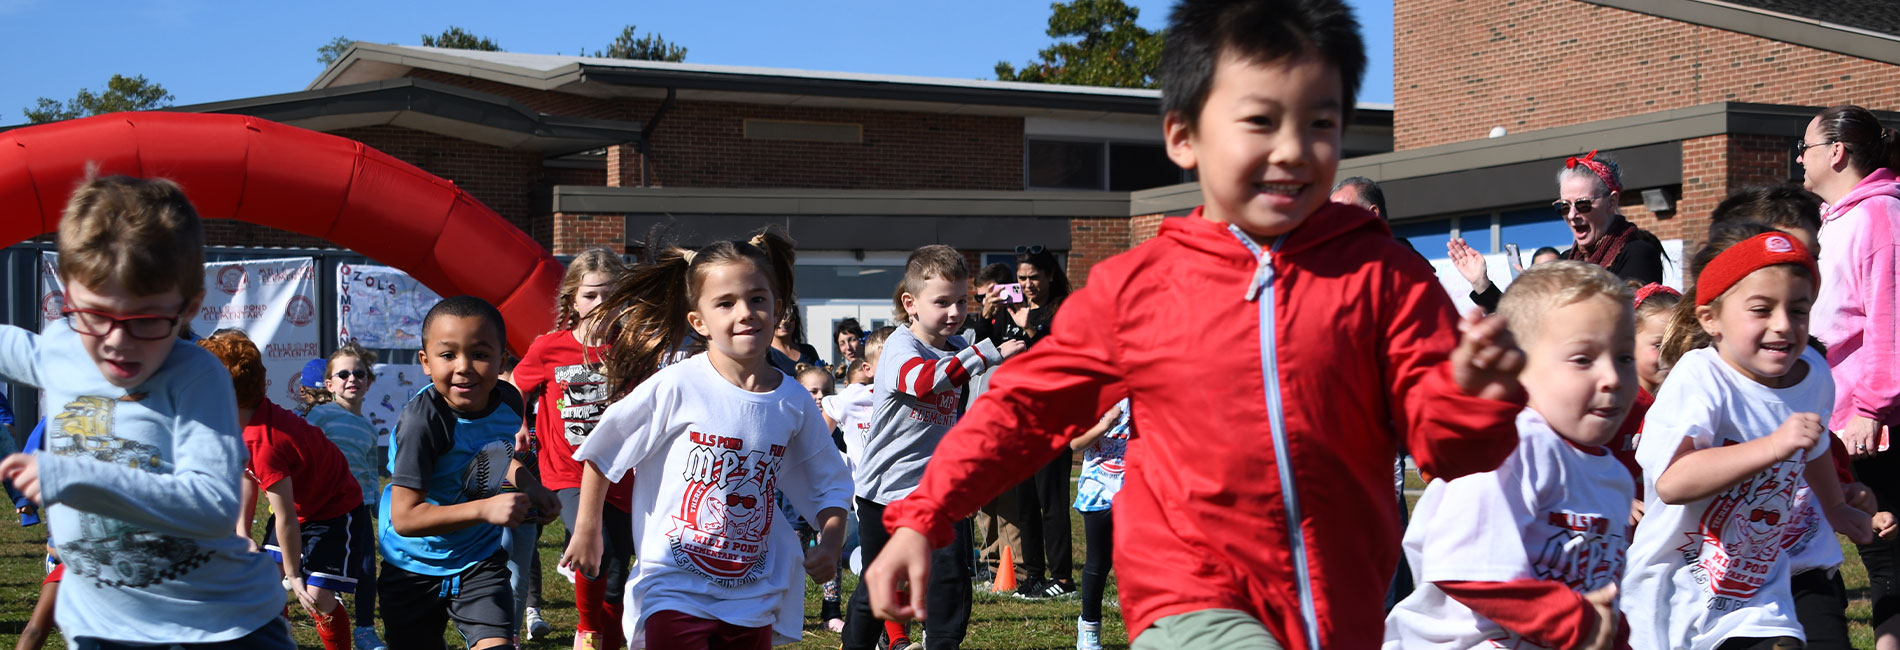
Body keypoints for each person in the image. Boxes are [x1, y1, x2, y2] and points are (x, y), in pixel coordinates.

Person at [860, 1, 1531, 646]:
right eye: (1261, 122)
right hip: (1192, 597)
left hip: (1342, 608)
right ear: (1184, 136)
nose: (1295, 150)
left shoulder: (1386, 276)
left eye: (1320, 124)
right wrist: (926, 514)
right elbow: (1026, 409)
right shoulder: (1139, 288)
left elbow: (1451, 451)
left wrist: (1478, 396)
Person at [0, 173, 292, 648]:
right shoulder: (66, 348)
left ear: (188, 307)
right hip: (104, 626)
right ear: (69, 298)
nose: (117, 341)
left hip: (218, 626)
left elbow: (214, 505)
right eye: (95, 315)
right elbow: (15, 347)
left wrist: (78, 478)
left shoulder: (196, 376)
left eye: (147, 320)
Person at [568, 231, 852, 649]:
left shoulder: (792, 400)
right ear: (699, 322)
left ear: (777, 307)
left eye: (757, 299)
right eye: (726, 303)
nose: (746, 312)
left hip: (751, 591)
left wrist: (830, 542)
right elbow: (604, 449)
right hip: (673, 585)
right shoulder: (678, 384)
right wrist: (587, 529)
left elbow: (829, 481)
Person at [1623, 223, 1873, 650]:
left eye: (1798, 310)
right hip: (1674, 585)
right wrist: (1771, 446)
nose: (1783, 326)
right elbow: (1673, 481)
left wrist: (1835, 505)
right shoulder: (1700, 377)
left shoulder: (1812, 375)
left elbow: (1809, 447)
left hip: (1757, 585)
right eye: (1761, 309)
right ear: (1711, 319)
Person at [1385, 261, 1636, 650]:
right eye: (1583, 359)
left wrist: (1610, 634)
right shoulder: (1511, 446)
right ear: (1519, 367)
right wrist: (1575, 622)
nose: (1613, 378)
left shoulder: (1615, 477)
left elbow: (1601, 591)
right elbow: (1467, 569)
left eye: (1624, 357)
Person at [841, 245, 1026, 650]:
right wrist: (986, 353)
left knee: (950, 577)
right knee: (879, 588)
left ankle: (942, 644)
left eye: (961, 301)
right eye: (941, 302)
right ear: (910, 304)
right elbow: (924, 381)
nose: (954, 312)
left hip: (937, 493)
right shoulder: (899, 347)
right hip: (884, 493)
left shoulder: (957, 345)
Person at [378, 296, 560, 650]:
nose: (464, 367)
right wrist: (484, 509)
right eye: (448, 355)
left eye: (479, 354)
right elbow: (405, 517)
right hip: (413, 565)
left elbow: (492, 451)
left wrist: (531, 485)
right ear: (425, 362)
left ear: (501, 361)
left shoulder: (508, 402)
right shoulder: (423, 424)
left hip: (479, 558)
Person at [1798, 104, 1900, 650]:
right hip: (1838, 411)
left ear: (1836, 153)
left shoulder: (1880, 214)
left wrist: (1872, 406)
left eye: (1806, 148)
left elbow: (1890, 318)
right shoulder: (1839, 216)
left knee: (1884, 556)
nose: (1799, 159)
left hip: (1873, 419)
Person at [202, 331, 365, 650]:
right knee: (264, 582)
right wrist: (242, 532)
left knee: (317, 597)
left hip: (335, 510)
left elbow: (286, 516)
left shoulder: (264, 442)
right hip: (299, 510)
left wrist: (295, 575)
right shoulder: (243, 419)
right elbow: (248, 476)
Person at [510, 247, 631, 649]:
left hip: (623, 473)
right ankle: (586, 630)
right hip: (568, 471)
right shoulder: (549, 348)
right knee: (597, 544)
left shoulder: (632, 349)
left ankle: (607, 638)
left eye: (609, 295)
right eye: (590, 295)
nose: (599, 305)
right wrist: (521, 423)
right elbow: (513, 389)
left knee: (616, 567)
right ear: (573, 300)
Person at [1452, 150, 1665, 312]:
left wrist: (1551, 296)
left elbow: (1622, 323)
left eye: (1582, 204)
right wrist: (1482, 283)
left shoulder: (1637, 253)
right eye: (1563, 206)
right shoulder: (1565, 262)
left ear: (1611, 203)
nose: (1572, 215)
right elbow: (1518, 326)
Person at [300, 343, 390, 650]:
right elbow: (302, 450)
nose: (352, 378)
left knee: (366, 569)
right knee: (314, 566)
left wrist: (376, 502)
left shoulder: (368, 427)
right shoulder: (321, 415)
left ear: (368, 381)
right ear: (329, 384)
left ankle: (364, 630)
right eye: (343, 374)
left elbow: (368, 467)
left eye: (359, 373)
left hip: (359, 509)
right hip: (323, 507)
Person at [961, 263, 1023, 588]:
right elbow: (975, 352)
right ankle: (989, 562)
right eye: (978, 296)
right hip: (976, 418)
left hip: (1007, 422)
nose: (982, 300)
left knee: (1008, 500)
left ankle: (1017, 567)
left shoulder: (1019, 320)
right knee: (983, 500)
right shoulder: (974, 326)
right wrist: (984, 316)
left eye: (989, 294)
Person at [1072, 399, 1131, 650]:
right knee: (1098, 563)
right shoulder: (1095, 393)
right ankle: (1090, 628)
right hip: (1097, 491)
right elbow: (1076, 443)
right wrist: (1106, 422)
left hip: (1135, 492)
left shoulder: (1146, 392)